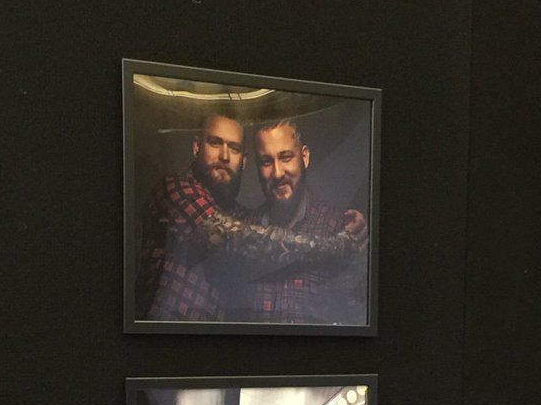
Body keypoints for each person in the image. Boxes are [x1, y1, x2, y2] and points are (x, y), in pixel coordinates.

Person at [132, 111, 367, 321]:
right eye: (215, 143)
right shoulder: (175, 189)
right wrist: (337, 245)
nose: (224, 156)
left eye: (234, 148)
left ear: (243, 161)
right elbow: (239, 238)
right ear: (196, 147)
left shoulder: (334, 223)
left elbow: (357, 313)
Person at [236, 120, 367, 324]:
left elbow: (357, 319)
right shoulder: (242, 228)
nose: (277, 173)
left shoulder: (339, 227)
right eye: (266, 161)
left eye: (285, 157)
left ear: (304, 157)